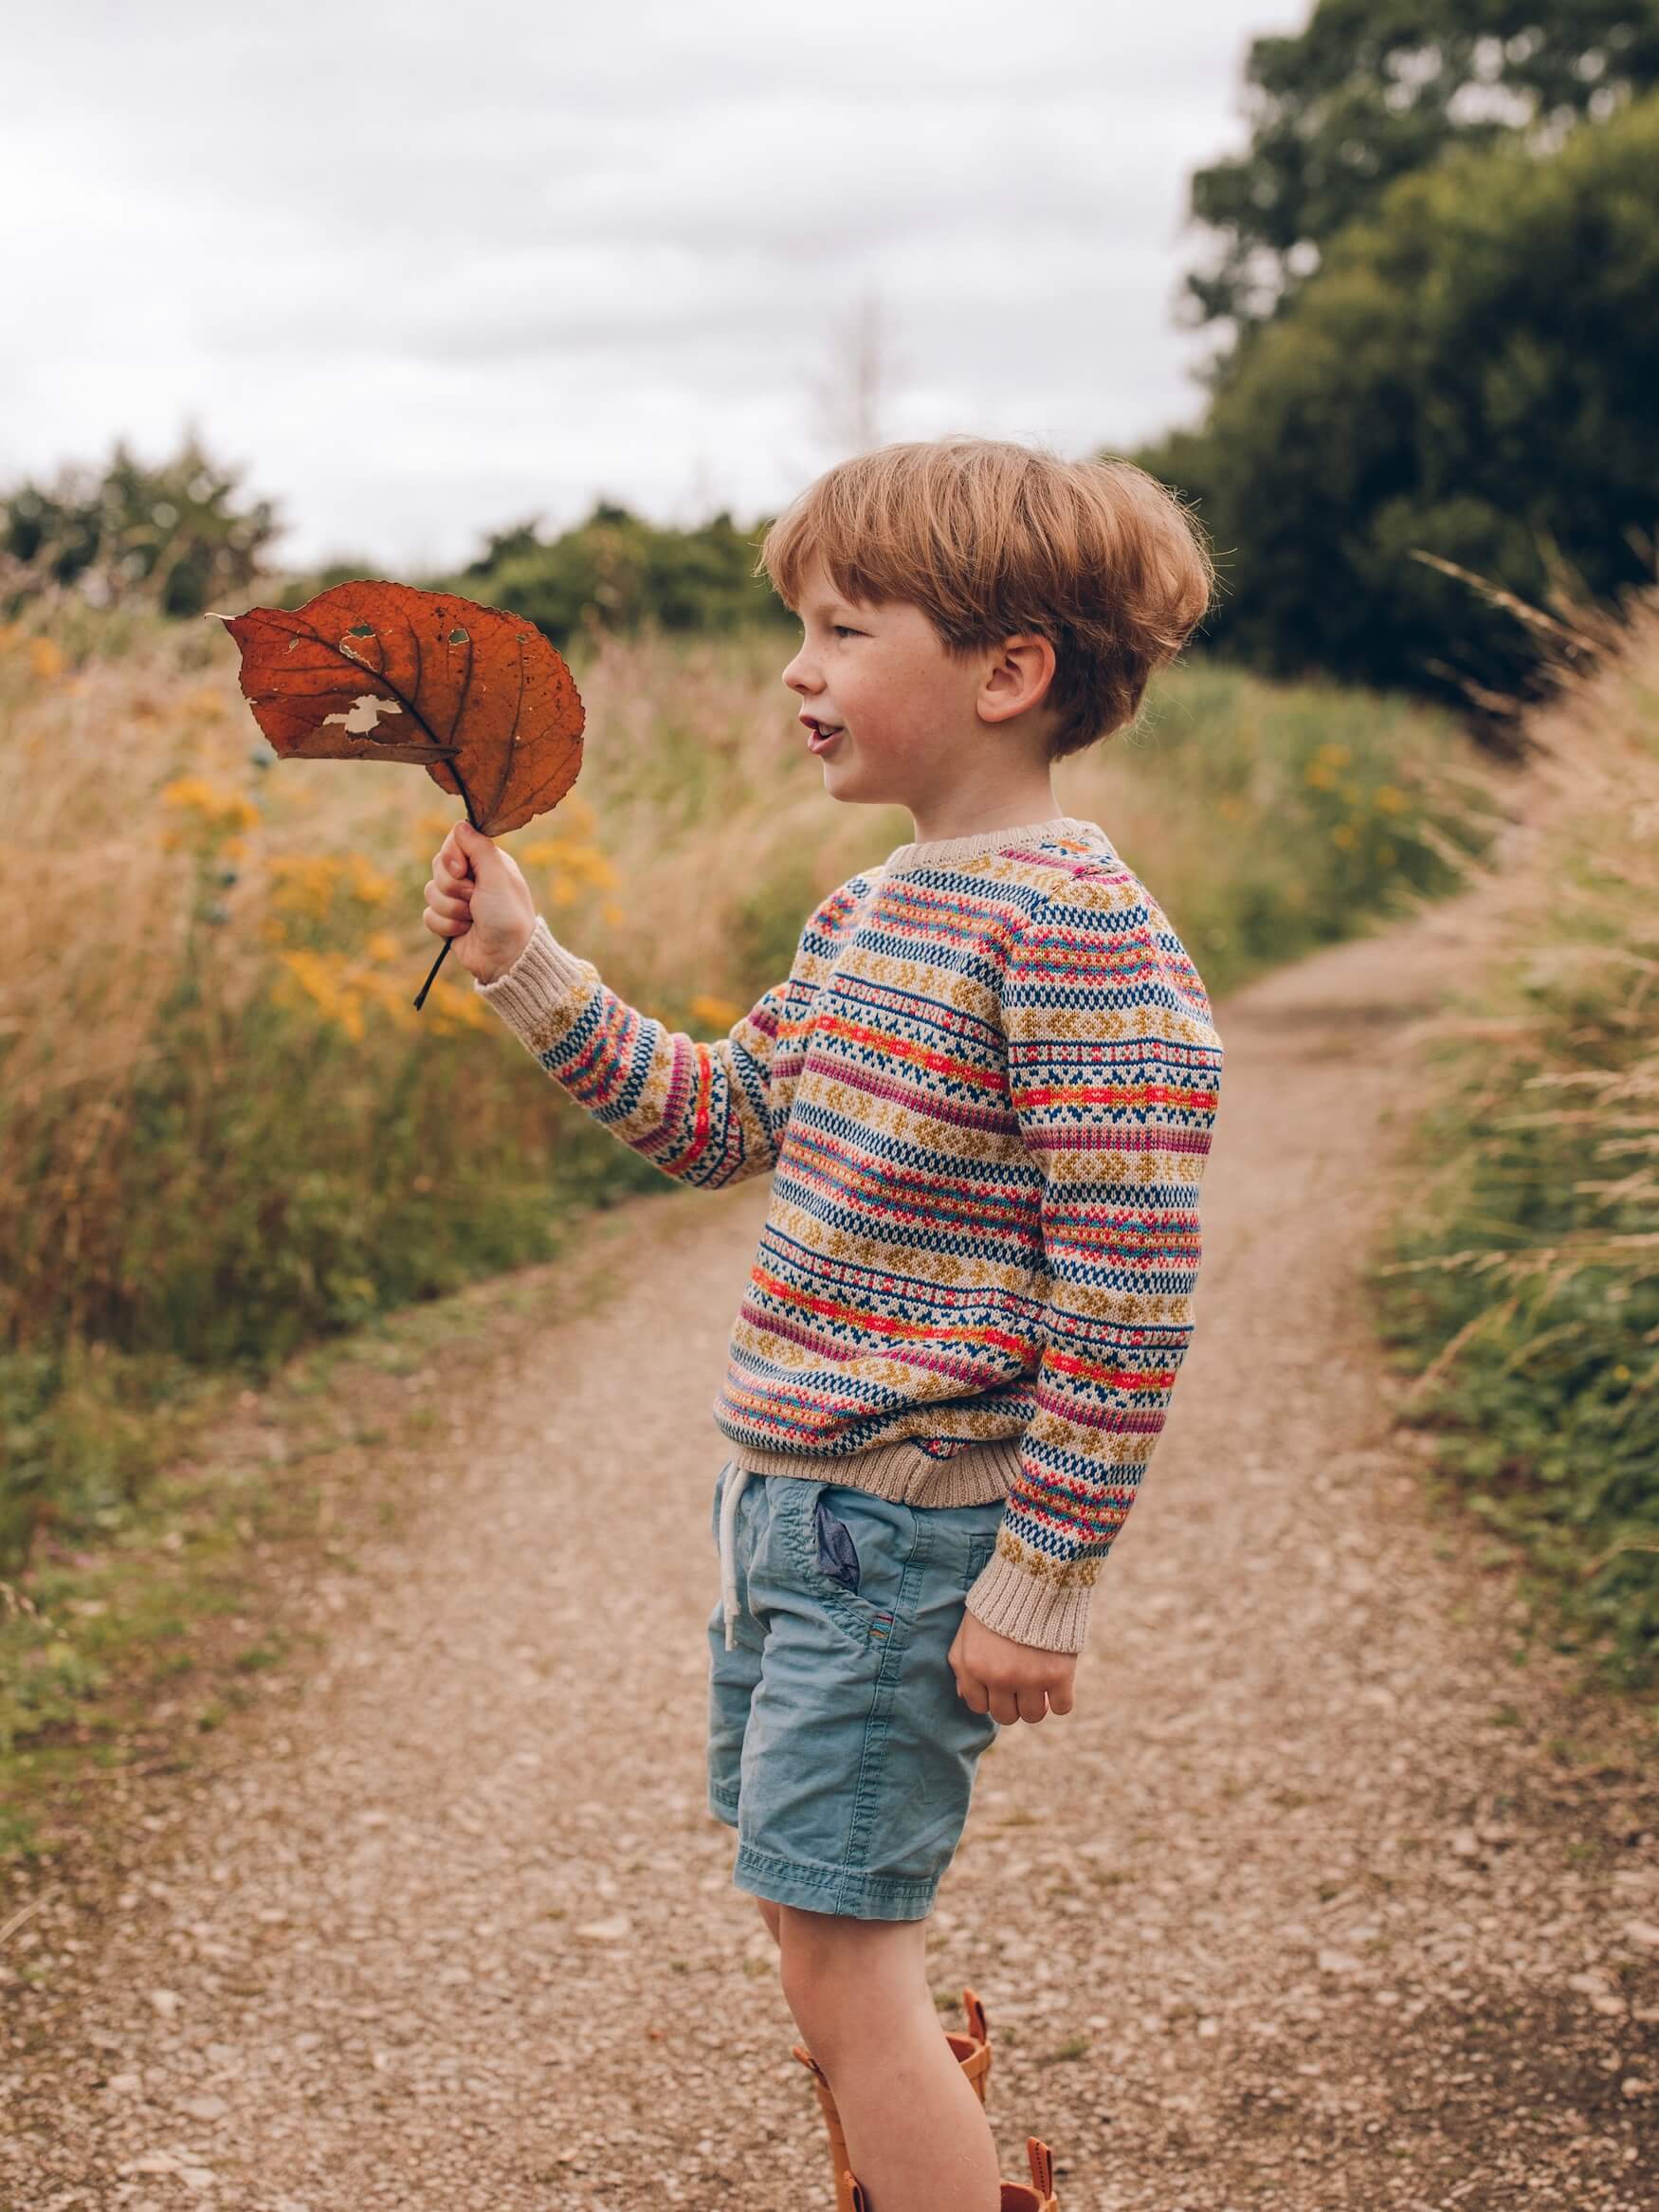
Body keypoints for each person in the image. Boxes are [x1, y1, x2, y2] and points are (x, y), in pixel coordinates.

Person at [421, 435, 1222, 2212]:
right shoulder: (870, 909)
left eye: (845, 628)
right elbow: (721, 1118)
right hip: (787, 1509)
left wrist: (1044, 1573)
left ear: (1006, 673)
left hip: (911, 1525)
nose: (799, 667)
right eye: (803, 626)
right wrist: (528, 967)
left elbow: (1129, 1278)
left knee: (850, 1954)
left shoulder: (1078, 934)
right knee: (811, 1920)